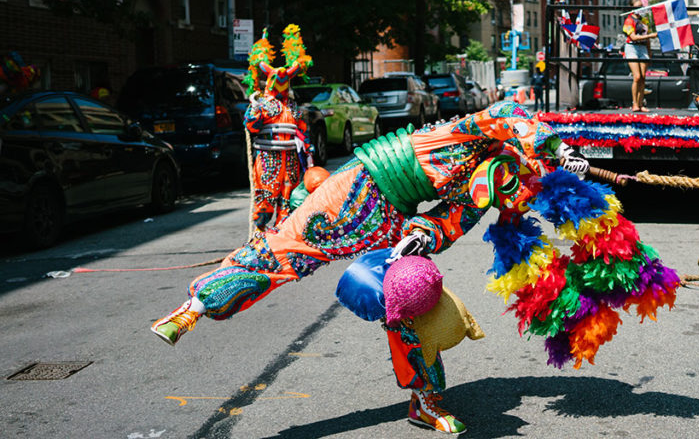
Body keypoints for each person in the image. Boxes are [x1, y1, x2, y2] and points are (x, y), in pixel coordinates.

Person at [150, 101, 591, 432]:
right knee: (282, 251)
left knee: (407, 297)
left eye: (521, 192)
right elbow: (513, 110)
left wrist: (424, 234)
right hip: (357, 187)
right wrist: (558, 145)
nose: (514, 195)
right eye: (521, 183)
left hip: (392, 219)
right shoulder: (476, 132)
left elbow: (452, 218)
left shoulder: (491, 182)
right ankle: (198, 305)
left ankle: (425, 399)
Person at [244, 26, 314, 231]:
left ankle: (283, 235)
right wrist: (254, 111)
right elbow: (251, 125)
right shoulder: (263, 104)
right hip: (268, 159)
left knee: (289, 201)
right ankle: (260, 236)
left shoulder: (292, 107)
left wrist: (308, 154)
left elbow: (302, 130)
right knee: (265, 201)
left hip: (291, 160)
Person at [622, 0, 656, 112]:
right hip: (632, 47)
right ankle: (635, 103)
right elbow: (633, 37)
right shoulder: (629, 20)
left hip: (643, 48)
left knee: (643, 77)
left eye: (641, 6)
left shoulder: (644, 20)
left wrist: (649, 50)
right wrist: (650, 36)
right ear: (632, 8)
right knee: (636, 76)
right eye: (637, 7)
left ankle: (641, 104)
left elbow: (647, 38)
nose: (640, 9)